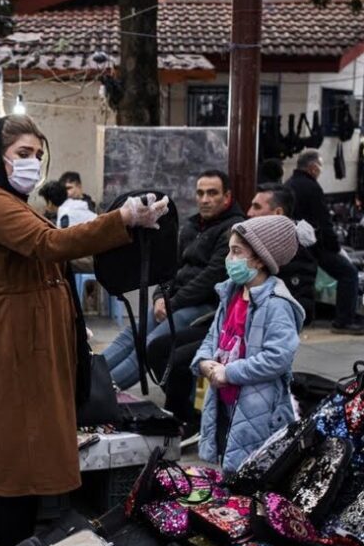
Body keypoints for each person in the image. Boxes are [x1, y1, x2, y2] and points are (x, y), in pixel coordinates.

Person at [0, 115, 168, 546]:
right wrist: (119, 219)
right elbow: (49, 245)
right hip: (15, 343)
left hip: (32, 342)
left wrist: (130, 228)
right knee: (18, 460)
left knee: (32, 457)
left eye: (37, 154)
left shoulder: (15, 203)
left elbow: (56, 252)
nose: (33, 163)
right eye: (22, 154)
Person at [103, 170, 245, 389]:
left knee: (150, 343)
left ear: (226, 197)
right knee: (131, 334)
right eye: (200, 193)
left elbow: (211, 277)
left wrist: (171, 303)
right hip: (175, 301)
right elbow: (171, 268)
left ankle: (103, 393)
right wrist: (160, 296)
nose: (205, 199)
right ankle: (86, 380)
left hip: (205, 305)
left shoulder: (232, 229)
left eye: (212, 193)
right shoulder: (191, 226)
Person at [192, 215, 303, 473]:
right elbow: (213, 336)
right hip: (226, 400)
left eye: (236, 252)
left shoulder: (277, 304)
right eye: (230, 250)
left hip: (258, 408)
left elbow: (278, 357)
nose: (229, 259)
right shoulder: (231, 292)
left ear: (261, 259)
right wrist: (204, 362)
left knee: (251, 472)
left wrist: (229, 372)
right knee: (229, 463)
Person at [286, 150, 362, 334]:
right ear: (312, 168)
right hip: (316, 246)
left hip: (294, 244)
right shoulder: (312, 188)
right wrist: (335, 248)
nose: (319, 172)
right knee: (349, 273)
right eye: (319, 168)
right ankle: (343, 322)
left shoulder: (289, 184)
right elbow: (324, 222)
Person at [248, 183, 317, 325]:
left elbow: (297, 307)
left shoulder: (295, 253)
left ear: (278, 213)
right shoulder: (252, 242)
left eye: (257, 207)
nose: (249, 213)